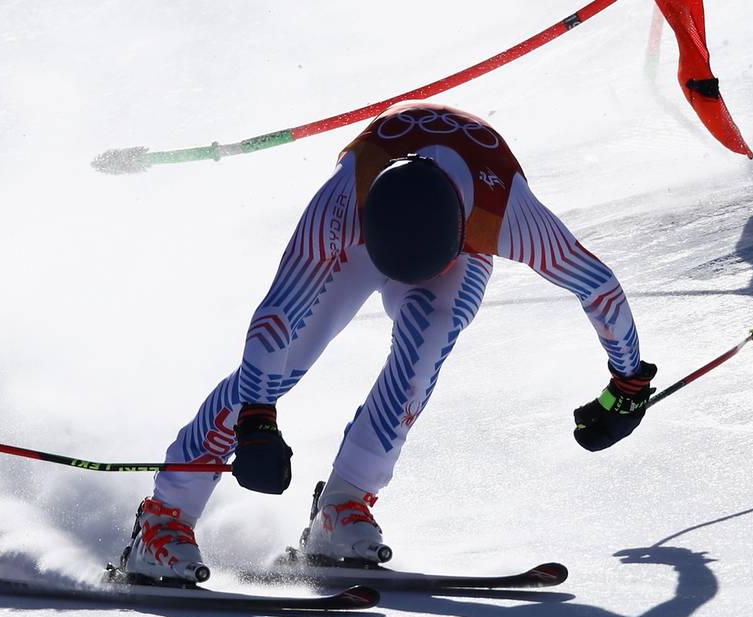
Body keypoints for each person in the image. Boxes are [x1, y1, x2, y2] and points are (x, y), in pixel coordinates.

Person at [118, 101, 657, 582]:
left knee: (428, 339)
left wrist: (629, 380)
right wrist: (258, 416)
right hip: (368, 233)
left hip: (455, 246)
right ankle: (164, 518)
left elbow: (597, 285)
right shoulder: (341, 203)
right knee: (282, 365)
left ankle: (344, 504)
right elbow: (276, 316)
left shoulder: (507, 213)